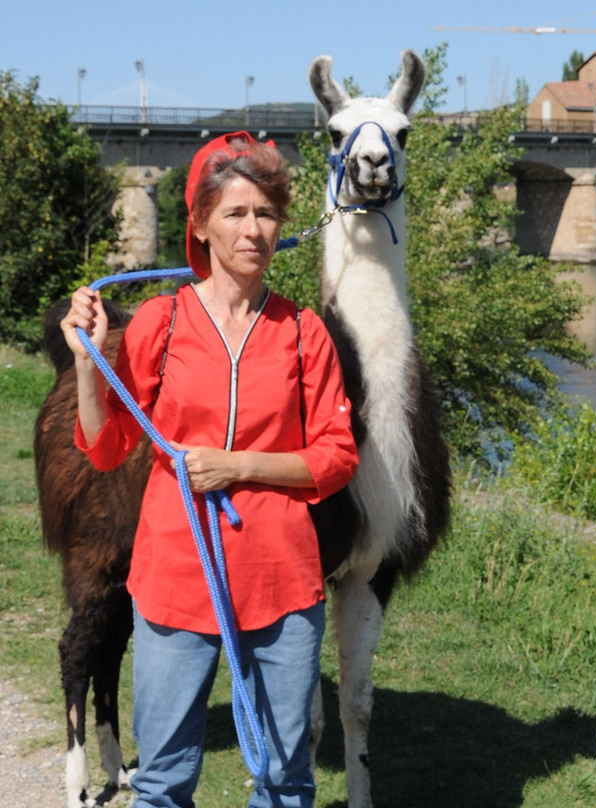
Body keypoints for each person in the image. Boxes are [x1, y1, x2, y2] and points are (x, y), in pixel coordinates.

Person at [60, 131, 359, 808]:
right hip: (174, 581)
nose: (254, 229)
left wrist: (238, 466)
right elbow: (106, 449)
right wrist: (87, 362)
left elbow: (337, 456)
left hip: (281, 583)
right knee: (163, 782)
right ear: (199, 223)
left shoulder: (303, 330)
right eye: (235, 212)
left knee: (285, 782)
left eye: (266, 213)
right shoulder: (160, 324)